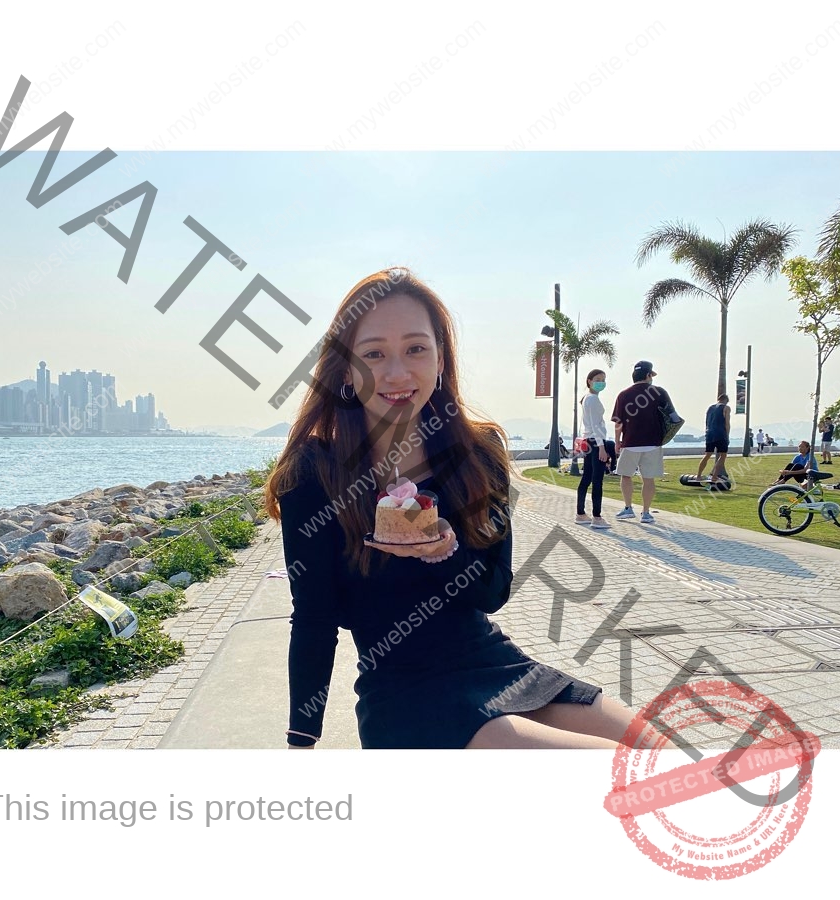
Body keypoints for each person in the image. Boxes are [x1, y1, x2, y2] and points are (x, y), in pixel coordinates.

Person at [266, 268, 658, 750]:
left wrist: (444, 550)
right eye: (373, 354)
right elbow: (313, 618)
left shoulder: (479, 454)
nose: (395, 372)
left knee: (655, 752)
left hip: (498, 663)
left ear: (440, 357)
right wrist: (301, 743)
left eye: (415, 348)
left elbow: (494, 592)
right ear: (346, 369)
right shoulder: (315, 470)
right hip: (405, 691)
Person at [610, 360, 675, 524]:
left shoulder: (623, 395)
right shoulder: (659, 392)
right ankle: (646, 512)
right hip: (653, 442)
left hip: (630, 442)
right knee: (648, 478)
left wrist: (617, 442)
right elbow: (673, 417)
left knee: (626, 476)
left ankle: (628, 508)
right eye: (651, 375)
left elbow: (618, 423)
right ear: (648, 375)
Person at [575, 369, 611, 529]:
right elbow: (596, 426)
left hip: (589, 441)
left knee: (587, 478)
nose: (601, 382)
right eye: (598, 379)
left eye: (603, 379)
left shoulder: (588, 399)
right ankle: (597, 517)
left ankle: (581, 513)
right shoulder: (592, 400)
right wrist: (602, 448)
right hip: (596, 442)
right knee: (597, 480)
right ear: (589, 381)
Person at [695, 394, 730, 490]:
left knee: (707, 454)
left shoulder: (710, 408)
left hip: (709, 433)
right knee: (723, 455)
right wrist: (727, 436)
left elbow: (707, 422)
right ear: (726, 400)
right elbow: (727, 423)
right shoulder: (726, 408)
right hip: (720, 433)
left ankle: (698, 475)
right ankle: (714, 476)